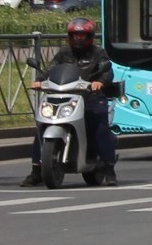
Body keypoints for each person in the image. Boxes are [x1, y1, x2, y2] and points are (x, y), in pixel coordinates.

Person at [24, 17, 117, 187]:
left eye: (82, 36)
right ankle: (36, 171)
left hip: (90, 97)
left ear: (90, 36)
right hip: (64, 96)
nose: (78, 39)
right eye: (75, 35)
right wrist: (39, 80)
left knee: (99, 127)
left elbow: (107, 70)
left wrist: (100, 82)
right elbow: (50, 69)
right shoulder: (64, 52)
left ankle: (109, 168)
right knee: (42, 126)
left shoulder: (98, 53)